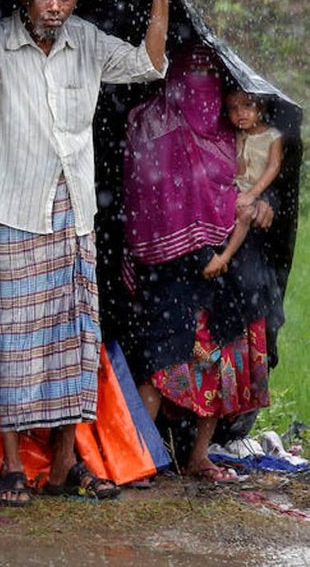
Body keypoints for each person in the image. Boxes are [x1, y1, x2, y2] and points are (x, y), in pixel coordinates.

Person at [0, 0, 174, 505]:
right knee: (19, 341)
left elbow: (149, 64)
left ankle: (66, 464)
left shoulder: (85, 39)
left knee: (74, 339)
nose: (56, 6)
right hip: (18, 210)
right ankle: (15, 465)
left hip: (75, 211)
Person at [123, 45, 271, 482]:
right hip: (166, 268)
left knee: (218, 360)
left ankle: (198, 456)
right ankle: (142, 458)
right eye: (194, 73)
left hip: (222, 265)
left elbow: (251, 182)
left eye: (211, 75)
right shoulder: (149, 124)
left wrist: (258, 206)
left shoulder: (231, 133)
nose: (201, 86)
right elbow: (142, 198)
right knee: (160, 361)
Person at [201, 90, 284, 280]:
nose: (240, 113)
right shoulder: (233, 135)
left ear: (260, 107)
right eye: (233, 108)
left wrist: (253, 194)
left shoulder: (272, 136)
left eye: (247, 105)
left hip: (254, 190)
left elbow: (273, 167)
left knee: (245, 213)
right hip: (232, 189)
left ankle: (225, 256)